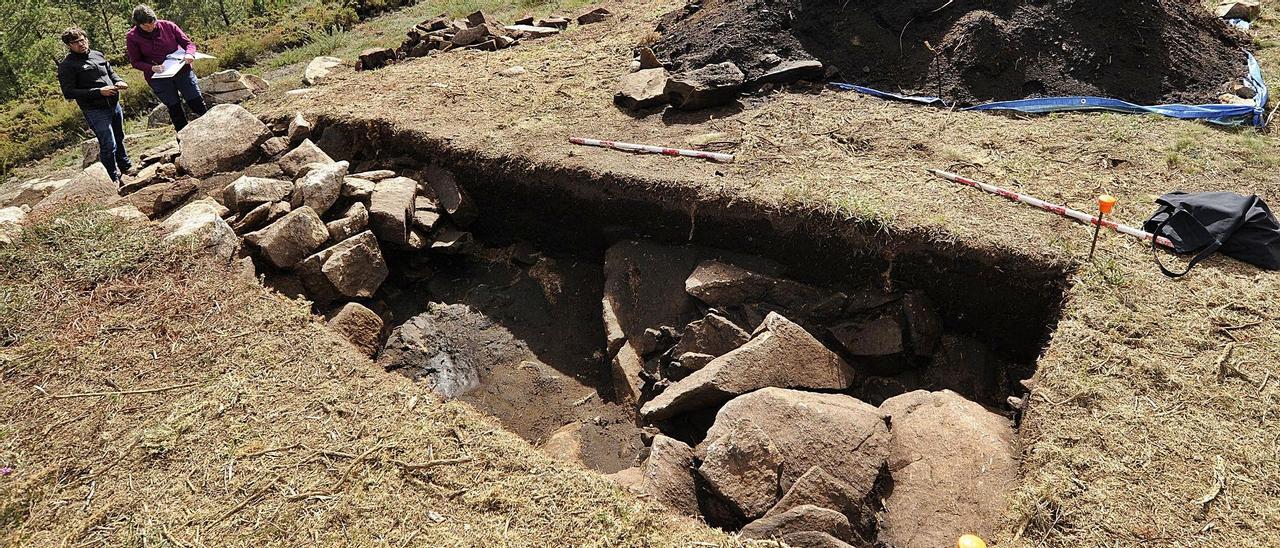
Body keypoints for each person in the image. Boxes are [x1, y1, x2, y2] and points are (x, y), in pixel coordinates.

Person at [56, 27, 132, 183]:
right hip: (95, 109)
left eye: (82, 40)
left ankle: (126, 166)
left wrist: (118, 80)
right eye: (75, 42)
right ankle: (112, 177)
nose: (81, 44)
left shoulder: (97, 54)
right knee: (108, 143)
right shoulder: (67, 65)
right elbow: (69, 92)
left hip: (114, 104)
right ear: (69, 46)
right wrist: (99, 91)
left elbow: (109, 72)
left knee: (119, 137)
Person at [125, 5, 207, 131]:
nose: (151, 27)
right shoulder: (132, 37)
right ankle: (183, 140)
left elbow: (188, 44)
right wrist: (151, 68)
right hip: (159, 78)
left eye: (152, 23)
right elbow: (135, 62)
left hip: (182, 71)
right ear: (138, 25)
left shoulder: (168, 25)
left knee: (197, 103)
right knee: (175, 109)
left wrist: (189, 53)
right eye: (146, 26)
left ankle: (211, 131)